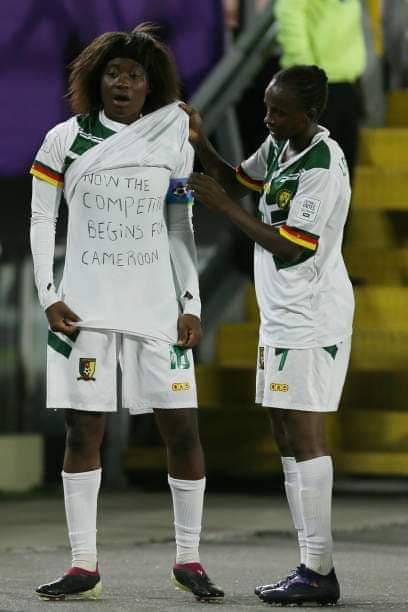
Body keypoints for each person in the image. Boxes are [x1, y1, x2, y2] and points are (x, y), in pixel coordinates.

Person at [29, 23, 223, 603]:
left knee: (182, 428)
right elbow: (42, 220)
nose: (123, 82)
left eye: (135, 75)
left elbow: (179, 225)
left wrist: (191, 302)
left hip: (157, 311)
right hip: (84, 312)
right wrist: (48, 294)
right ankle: (83, 563)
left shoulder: (172, 143)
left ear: (150, 86)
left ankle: (189, 558)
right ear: (97, 79)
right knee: (82, 430)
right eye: (113, 72)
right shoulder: (63, 139)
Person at [182, 64, 354, 606]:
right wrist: (200, 142)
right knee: (284, 432)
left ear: (312, 113)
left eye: (279, 111)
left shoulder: (322, 165)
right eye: (266, 106)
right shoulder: (282, 143)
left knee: (304, 434)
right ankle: (309, 562)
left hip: (310, 314)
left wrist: (225, 209)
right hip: (280, 313)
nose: (269, 117)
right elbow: (239, 179)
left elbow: (293, 246)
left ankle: (319, 567)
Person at [274, 0, 366, 183]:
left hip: (347, 83)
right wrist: (305, 71)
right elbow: (288, 11)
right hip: (317, 86)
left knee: (342, 177)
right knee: (315, 176)